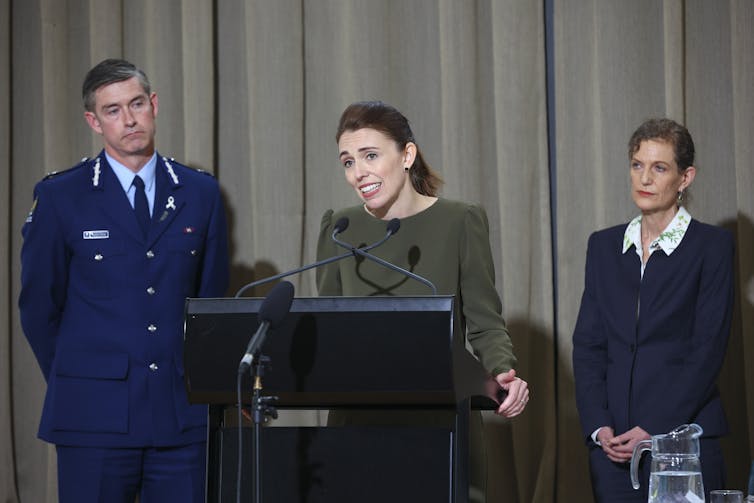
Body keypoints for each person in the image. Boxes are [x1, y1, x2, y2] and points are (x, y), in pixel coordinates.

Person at [18, 59, 229, 503]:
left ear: (153, 105)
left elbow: (210, 304)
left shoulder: (200, 193)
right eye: (113, 110)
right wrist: (83, 378)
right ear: (93, 121)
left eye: (136, 104)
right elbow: (39, 308)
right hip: (91, 416)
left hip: (180, 416)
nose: (129, 119)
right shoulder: (61, 197)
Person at [315, 100, 529, 501]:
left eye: (370, 156)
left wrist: (504, 372)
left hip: (441, 419)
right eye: (347, 161)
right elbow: (327, 328)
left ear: (407, 154)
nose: (358, 172)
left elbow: (484, 319)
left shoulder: (461, 221)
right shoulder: (340, 229)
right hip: (357, 425)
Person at [572, 118, 734, 501]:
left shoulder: (712, 247)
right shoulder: (603, 246)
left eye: (659, 168)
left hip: (681, 447)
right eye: (637, 165)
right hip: (613, 453)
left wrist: (654, 428)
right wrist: (599, 427)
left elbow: (707, 351)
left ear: (685, 177)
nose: (644, 178)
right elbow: (589, 346)